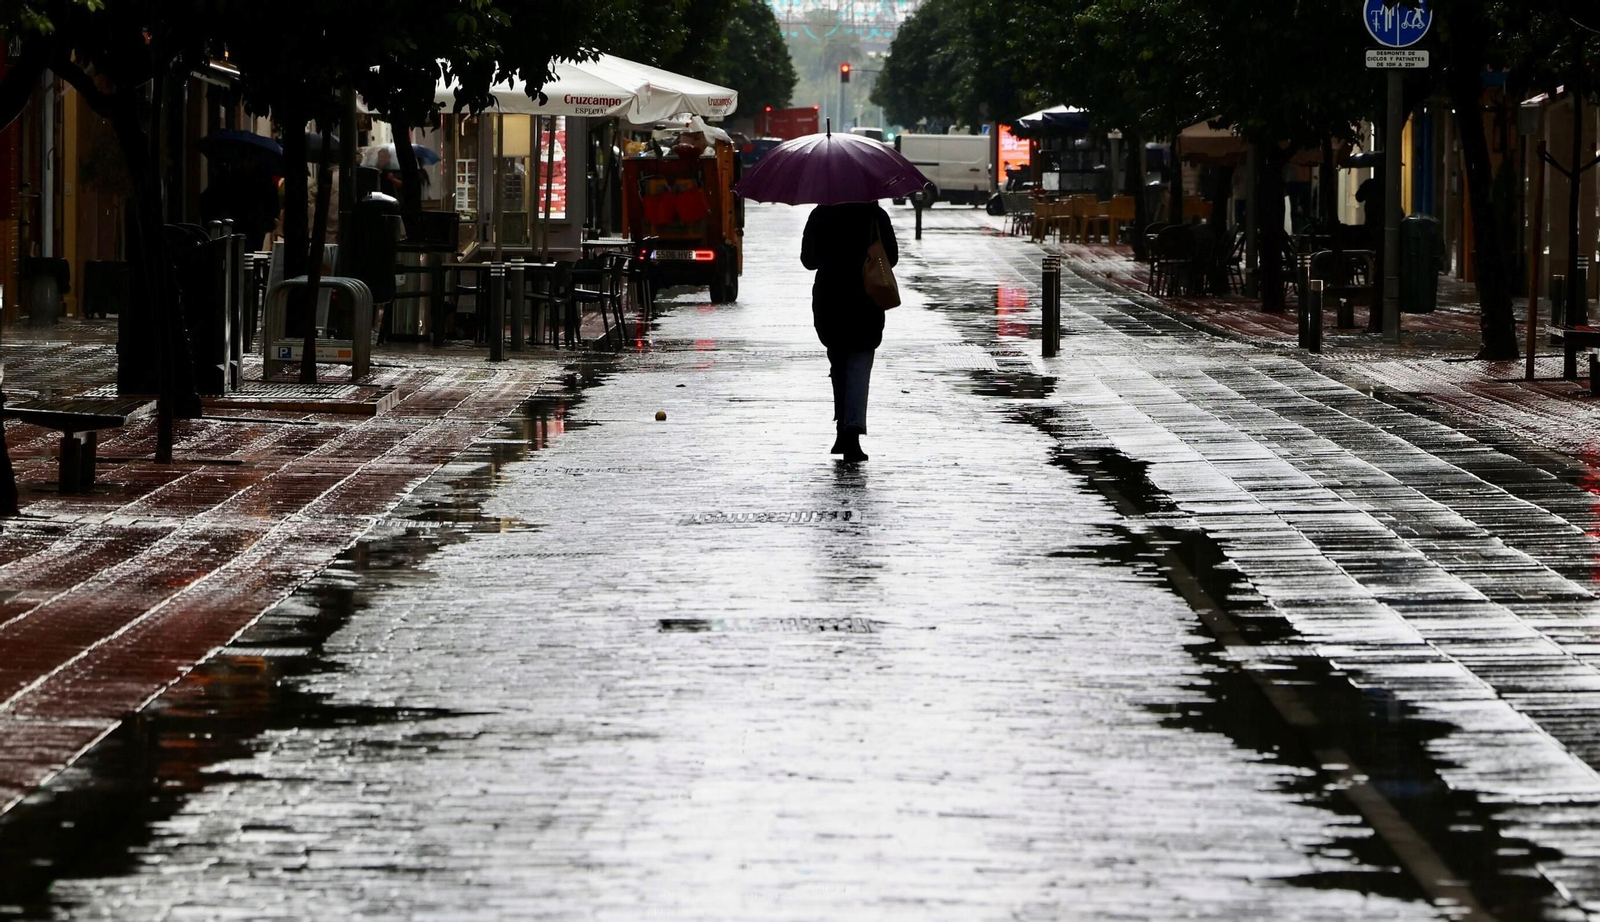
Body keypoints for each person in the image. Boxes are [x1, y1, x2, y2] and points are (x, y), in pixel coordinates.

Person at [800, 201, 897, 462]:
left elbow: (808, 260)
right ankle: (851, 432)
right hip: (866, 297)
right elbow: (893, 258)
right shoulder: (875, 215)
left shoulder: (821, 213)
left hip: (831, 298)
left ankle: (842, 428)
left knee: (839, 362)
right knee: (859, 364)